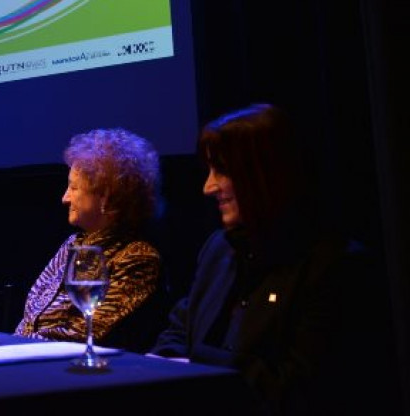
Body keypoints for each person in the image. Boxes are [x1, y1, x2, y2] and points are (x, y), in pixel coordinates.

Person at [148, 103, 369, 414]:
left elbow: (298, 392)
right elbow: (177, 334)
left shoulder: (334, 266)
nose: (207, 187)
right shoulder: (218, 249)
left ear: (262, 174)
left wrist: (199, 363)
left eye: (221, 170)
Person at [14, 128, 165, 352]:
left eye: (74, 188)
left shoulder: (138, 258)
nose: (64, 198)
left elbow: (89, 335)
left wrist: (21, 349)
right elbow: (31, 319)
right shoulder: (72, 244)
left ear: (106, 196)